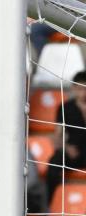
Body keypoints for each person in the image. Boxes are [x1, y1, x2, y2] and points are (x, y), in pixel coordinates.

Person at [46, 70, 86, 201]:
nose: (83, 93)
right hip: (74, 152)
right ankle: (51, 203)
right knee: (54, 162)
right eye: (80, 89)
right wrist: (67, 148)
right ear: (74, 88)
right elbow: (57, 136)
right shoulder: (65, 108)